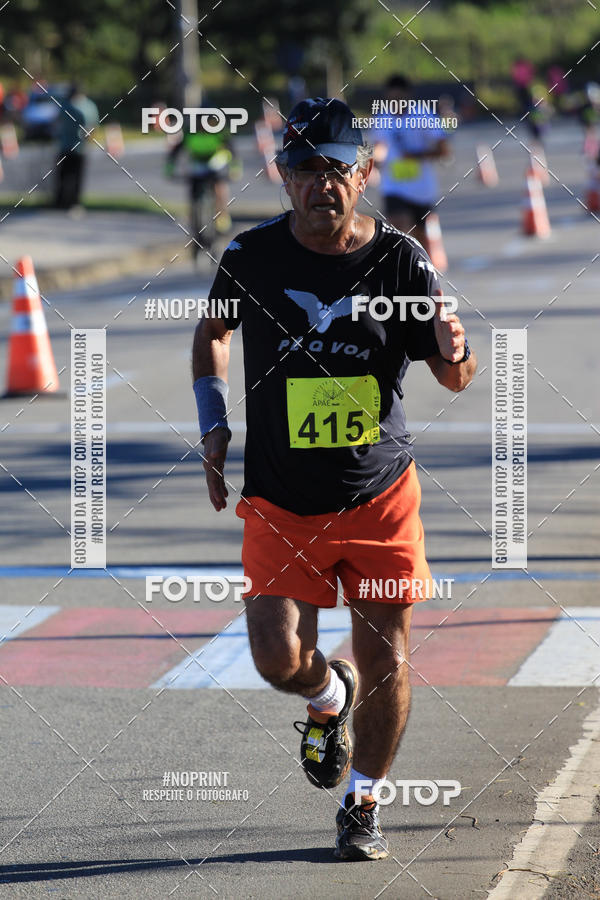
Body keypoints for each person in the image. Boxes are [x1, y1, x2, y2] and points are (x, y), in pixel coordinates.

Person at [191, 97, 476, 860]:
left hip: (380, 499)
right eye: (308, 168)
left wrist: (455, 349)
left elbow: (454, 376)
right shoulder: (250, 259)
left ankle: (363, 802)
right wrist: (212, 422)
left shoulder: (399, 260)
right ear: (283, 176)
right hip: (281, 504)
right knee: (276, 659)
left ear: (365, 173)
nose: (325, 183)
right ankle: (326, 695)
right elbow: (210, 335)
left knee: (386, 658)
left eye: (339, 168)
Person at [373, 75, 450, 247]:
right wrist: (373, 162)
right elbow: (380, 146)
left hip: (421, 190)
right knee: (397, 231)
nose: (396, 104)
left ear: (408, 96)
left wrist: (416, 156)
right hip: (393, 187)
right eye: (392, 100)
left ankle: (421, 270)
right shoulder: (382, 118)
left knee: (420, 239)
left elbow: (443, 150)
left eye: (399, 99)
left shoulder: (423, 116)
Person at [54, 83, 98, 210]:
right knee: (73, 175)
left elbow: (57, 123)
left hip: (69, 146)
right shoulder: (88, 106)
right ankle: (71, 201)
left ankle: (64, 201)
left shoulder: (66, 105)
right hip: (75, 146)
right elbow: (93, 126)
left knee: (67, 175)